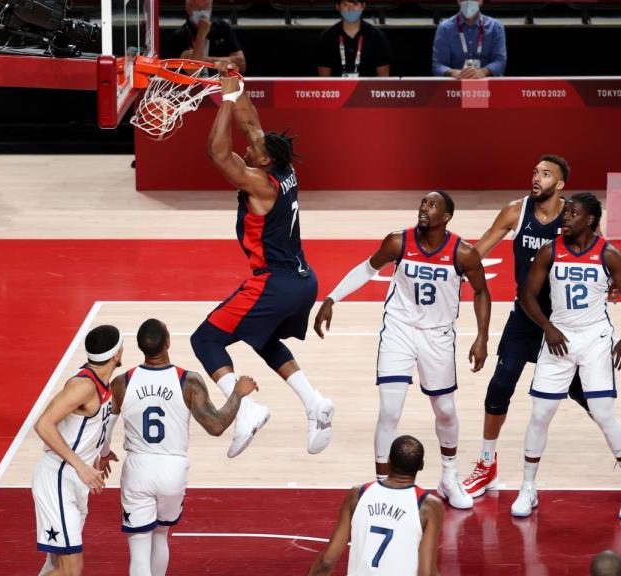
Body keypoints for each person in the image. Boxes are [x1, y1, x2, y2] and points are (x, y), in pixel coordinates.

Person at [462, 155, 621, 498]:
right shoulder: (516, 212)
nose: (537, 177)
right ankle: (487, 464)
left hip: (567, 324)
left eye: (546, 174)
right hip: (528, 316)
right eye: (535, 171)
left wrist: (614, 289)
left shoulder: (574, 216)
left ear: (560, 184)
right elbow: (478, 251)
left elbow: (598, 254)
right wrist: (451, 265)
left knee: (589, 400)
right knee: (500, 385)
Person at [314, 190, 491, 510]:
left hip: (437, 336)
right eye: (423, 202)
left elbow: (481, 292)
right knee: (391, 410)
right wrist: (331, 298)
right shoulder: (398, 242)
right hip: (399, 330)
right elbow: (367, 268)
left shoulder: (463, 253)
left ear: (446, 216)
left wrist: (482, 337)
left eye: (433, 205)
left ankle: (449, 477)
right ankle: (383, 484)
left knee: (446, 410)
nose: (425, 208)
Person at [194, 62, 334, 458]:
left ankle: (248, 408)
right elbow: (252, 121)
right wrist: (235, 84)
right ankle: (314, 403)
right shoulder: (281, 165)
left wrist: (223, 100)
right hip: (303, 280)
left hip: (274, 281)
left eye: (253, 150)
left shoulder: (259, 182)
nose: (248, 146)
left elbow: (216, 152)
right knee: (264, 337)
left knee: (205, 339)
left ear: (265, 162)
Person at [515, 192, 621, 520]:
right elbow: (526, 295)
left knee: (603, 413)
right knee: (541, 413)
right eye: (566, 212)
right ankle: (527, 487)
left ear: (589, 220)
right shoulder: (550, 251)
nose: (565, 218)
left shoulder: (609, 254)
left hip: (594, 339)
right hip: (559, 336)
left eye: (572, 213)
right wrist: (547, 327)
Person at [110, 318, 257, 576]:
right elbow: (216, 426)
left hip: (137, 468)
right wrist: (237, 393)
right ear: (168, 342)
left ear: (141, 347)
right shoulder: (188, 381)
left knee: (139, 547)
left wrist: (100, 456)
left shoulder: (122, 382)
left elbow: (106, 426)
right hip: (172, 469)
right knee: (161, 535)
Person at [31, 325, 122, 576]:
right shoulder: (84, 385)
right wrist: (81, 465)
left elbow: (90, 428)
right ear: (116, 355)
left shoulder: (102, 384)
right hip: (59, 477)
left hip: (73, 479)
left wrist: (102, 455)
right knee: (71, 570)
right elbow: (43, 424)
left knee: (57, 567)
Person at [308, 435, 444, 576]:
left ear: (388, 461)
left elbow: (326, 563)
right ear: (421, 465)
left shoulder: (358, 495)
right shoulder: (429, 507)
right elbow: (427, 573)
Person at [315, 0, 393, 77]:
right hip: (337, 88)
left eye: (355, 4)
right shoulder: (327, 37)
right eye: (345, 5)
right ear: (338, 7)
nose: (350, 9)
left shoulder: (377, 37)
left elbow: (383, 78)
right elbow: (324, 79)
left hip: (368, 88)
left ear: (363, 6)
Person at [431, 0, 506, 79]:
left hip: (486, 85)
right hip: (455, 86)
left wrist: (483, 71)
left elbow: (500, 62)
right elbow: (438, 65)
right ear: (458, 1)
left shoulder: (495, 27)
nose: (469, 1)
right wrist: (453, 72)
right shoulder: (445, 28)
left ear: (481, 1)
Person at [166, 0, 246, 73]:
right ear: (188, 8)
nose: (203, 12)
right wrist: (202, 33)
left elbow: (241, 64)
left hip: (219, 85)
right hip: (193, 86)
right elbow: (193, 70)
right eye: (198, 8)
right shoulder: (180, 35)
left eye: (206, 7)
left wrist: (203, 60)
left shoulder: (223, 28)